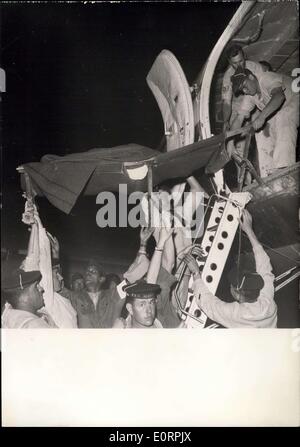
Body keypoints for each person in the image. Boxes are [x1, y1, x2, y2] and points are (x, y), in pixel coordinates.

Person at [186, 210, 277, 328]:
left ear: (238, 295)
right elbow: (265, 268)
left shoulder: (236, 314)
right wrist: (249, 230)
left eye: (232, 285)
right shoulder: (268, 304)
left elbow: (208, 304)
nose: (230, 285)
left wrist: (196, 272)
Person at [229, 66, 299, 176]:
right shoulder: (250, 95)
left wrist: (261, 117)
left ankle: (284, 168)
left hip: (295, 100)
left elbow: (279, 96)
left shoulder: (265, 77)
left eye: (244, 86)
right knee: (263, 130)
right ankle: (269, 171)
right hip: (284, 110)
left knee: (282, 116)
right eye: (242, 90)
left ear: (251, 77)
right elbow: (239, 118)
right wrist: (230, 141)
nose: (245, 91)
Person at [70, 259, 123, 328]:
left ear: (101, 279)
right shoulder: (75, 297)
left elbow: (130, 281)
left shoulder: (111, 295)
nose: (88, 274)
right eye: (86, 272)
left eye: (93, 271)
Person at [222, 44, 264, 130]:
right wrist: (225, 121)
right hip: (239, 104)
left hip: (257, 100)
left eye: (241, 61)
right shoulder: (228, 76)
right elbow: (227, 102)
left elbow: (264, 88)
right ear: (229, 62)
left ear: (244, 56)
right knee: (233, 132)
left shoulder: (256, 67)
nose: (239, 65)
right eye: (235, 63)